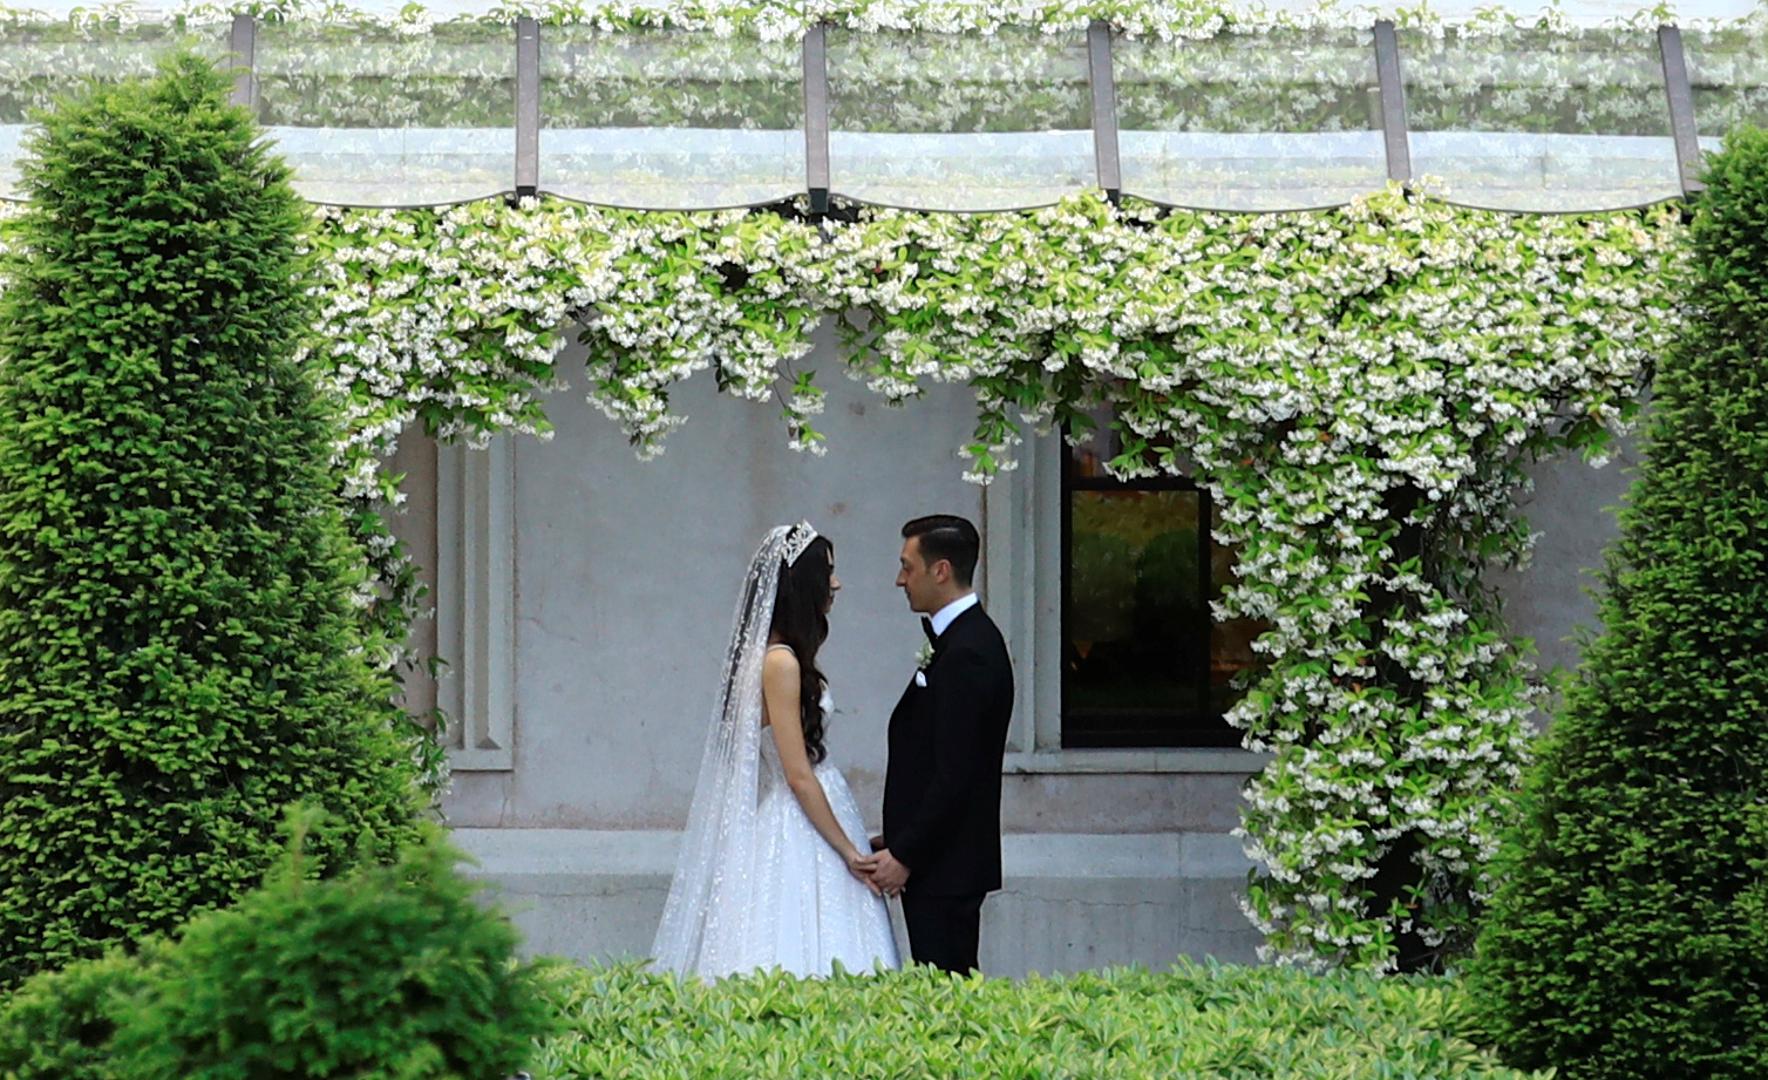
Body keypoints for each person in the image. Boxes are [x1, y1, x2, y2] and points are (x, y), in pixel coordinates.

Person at [650, 522, 900, 978]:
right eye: (828, 572)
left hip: (815, 811)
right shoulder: (779, 662)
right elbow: (797, 774)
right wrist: (849, 852)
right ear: (803, 583)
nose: (837, 583)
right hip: (799, 819)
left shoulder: (780, 656)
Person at [870, 514, 1014, 974]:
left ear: (941, 570)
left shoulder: (970, 651)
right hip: (939, 864)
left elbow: (957, 773)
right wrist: (896, 834)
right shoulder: (958, 642)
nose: (900, 580)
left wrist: (905, 854)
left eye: (907, 567)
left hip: (946, 869)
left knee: (946, 993)